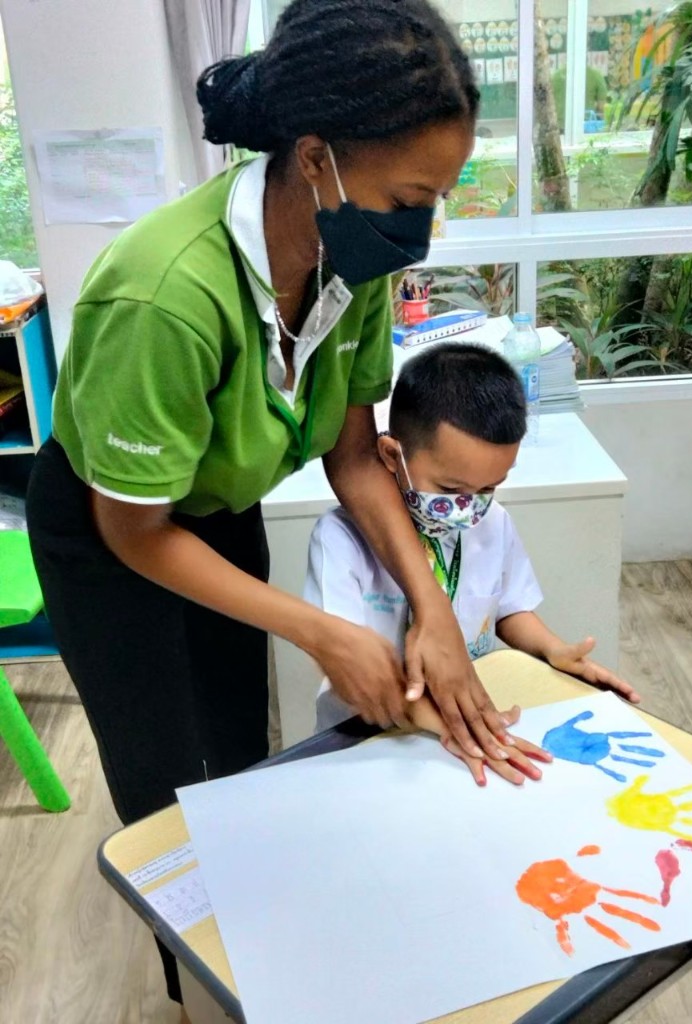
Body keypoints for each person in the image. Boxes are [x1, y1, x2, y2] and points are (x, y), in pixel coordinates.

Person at [25, 0, 518, 1009]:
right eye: (409, 195)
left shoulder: (352, 260)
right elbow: (135, 530)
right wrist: (326, 632)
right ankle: (194, 981)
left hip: (213, 508)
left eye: (438, 198)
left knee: (238, 744)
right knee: (161, 772)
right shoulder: (164, 292)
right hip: (109, 531)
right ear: (314, 160)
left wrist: (434, 619)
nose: (418, 227)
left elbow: (353, 455)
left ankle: (268, 945)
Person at [305, 343, 639, 785]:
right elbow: (347, 669)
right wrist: (451, 727)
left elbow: (509, 610)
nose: (468, 507)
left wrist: (551, 649)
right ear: (391, 456)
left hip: (467, 729)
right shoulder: (340, 540)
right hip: (365, 743)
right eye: (450, 487)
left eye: (489, 488)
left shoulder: (492, 524)